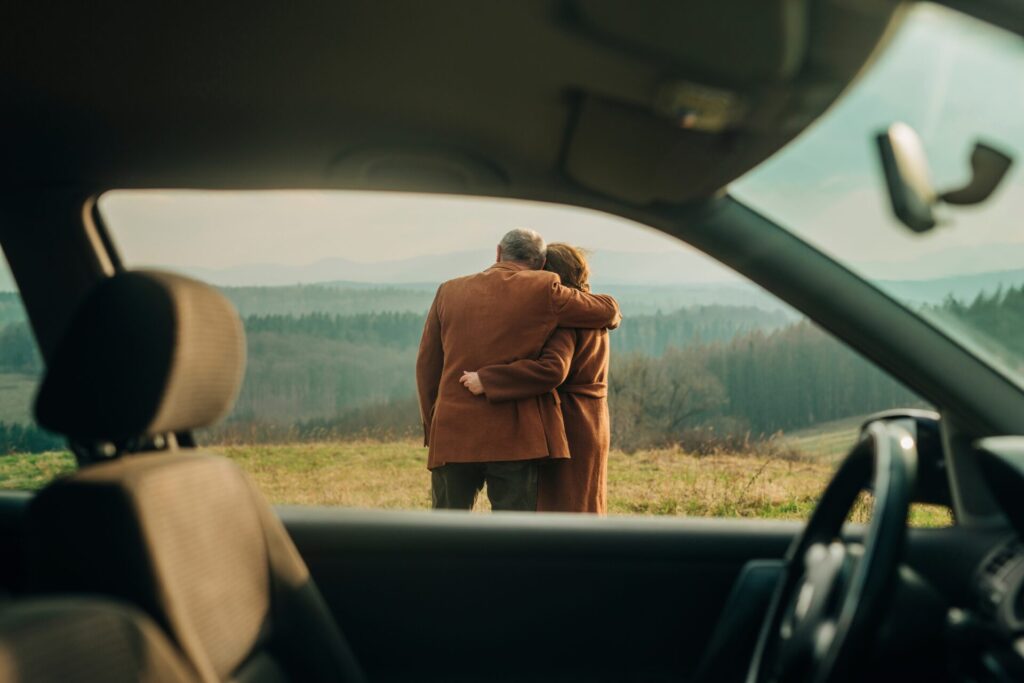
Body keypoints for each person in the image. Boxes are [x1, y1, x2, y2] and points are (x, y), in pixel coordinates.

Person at [417, 229, 620, 511]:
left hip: (452, 433)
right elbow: (605, 311)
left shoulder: (448, 290)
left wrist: (434, 425)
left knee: (445, 532)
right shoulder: (542, 288)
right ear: (539, 263)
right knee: (513, 537)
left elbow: (427, 367)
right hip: (514, 436)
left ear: (498, 252)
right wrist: (612, 306)